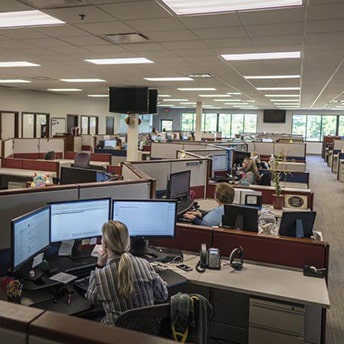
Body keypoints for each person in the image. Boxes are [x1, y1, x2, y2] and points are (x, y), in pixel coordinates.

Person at [85, 221, 168, 326]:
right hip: (147, 333)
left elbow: (91, 298)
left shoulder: (101, 274)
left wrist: (99, 265)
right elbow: (162, 295)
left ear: (104, 244)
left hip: (115, 336)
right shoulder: (144, 264)